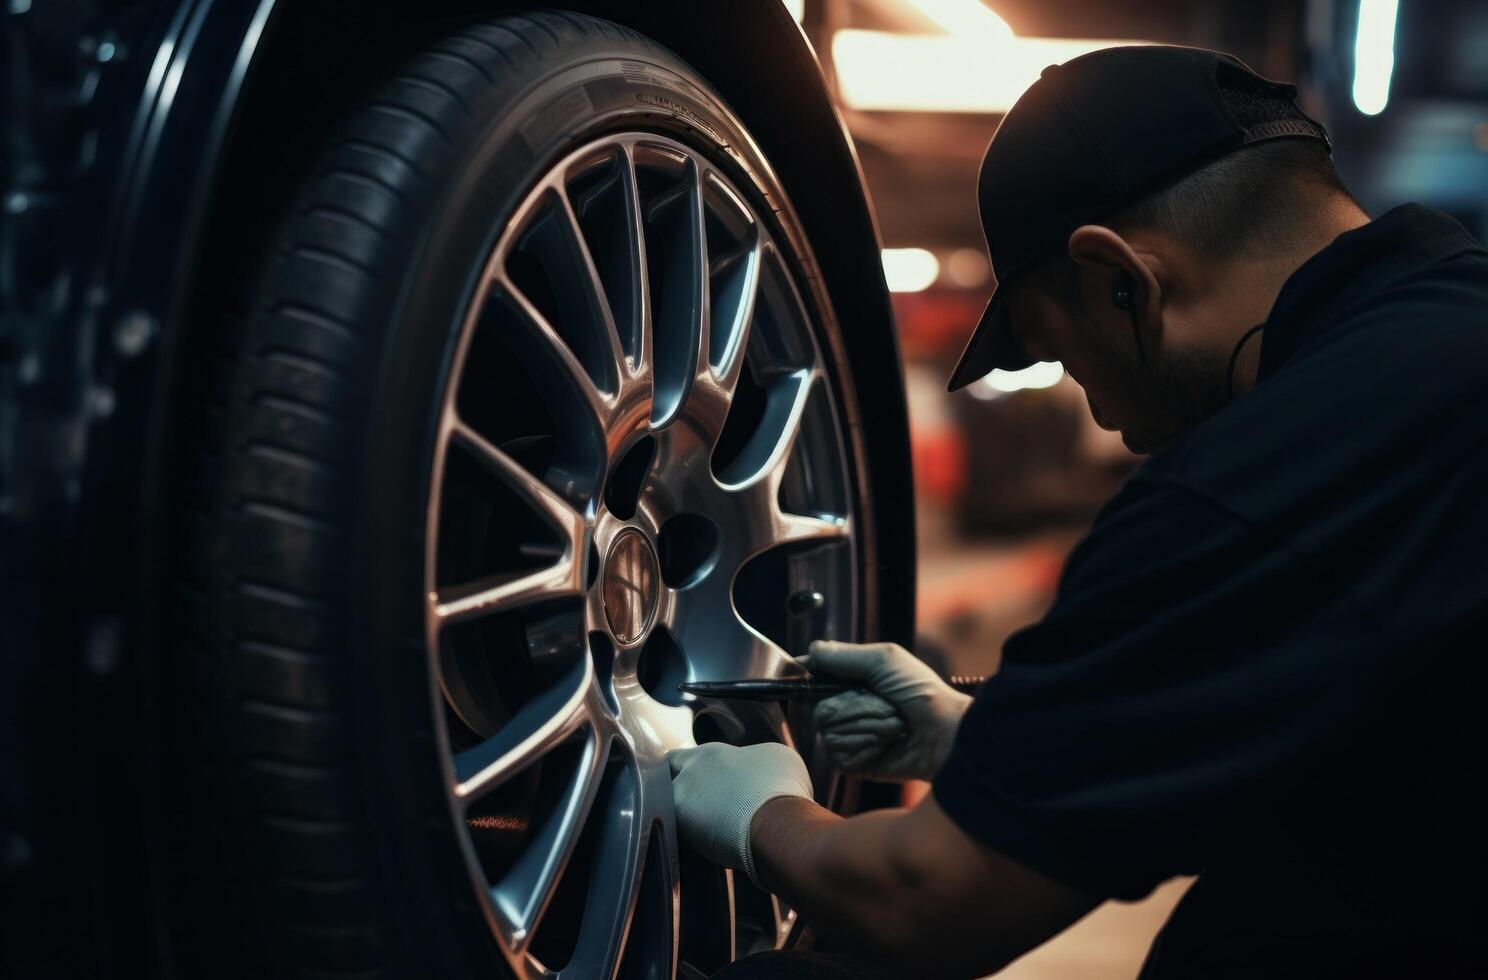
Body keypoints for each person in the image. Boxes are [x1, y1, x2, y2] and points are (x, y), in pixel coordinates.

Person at [667, 44, 1488, 979]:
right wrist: (978, 734)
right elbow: (1335, 723)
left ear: (1121, 279)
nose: (1101, 414)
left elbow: (921, 903)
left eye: (1063, 353)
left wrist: (761, 812)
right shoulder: (1439, 353)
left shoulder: (1253, 485)